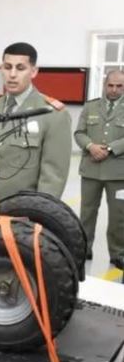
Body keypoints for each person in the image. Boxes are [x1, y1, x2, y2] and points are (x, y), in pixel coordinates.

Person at [0, 42, 72, 226]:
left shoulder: (52, 114)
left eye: (20, 68)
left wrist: (40, 218)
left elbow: (52, 177)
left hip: (22, 217)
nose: (12, 74)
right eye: (7, 67)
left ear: (33, 71)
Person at [74, 70, 124, 269]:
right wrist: (90, 146)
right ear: (105, 85)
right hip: (91, 169)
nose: (114, 90)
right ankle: (83, 249)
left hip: (118, 173)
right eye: (110, 85)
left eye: (119, 86)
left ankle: (118, 253)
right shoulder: (91, 106)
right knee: (87, 212)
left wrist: (110, 148)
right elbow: (79, 133)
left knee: (119, 216)